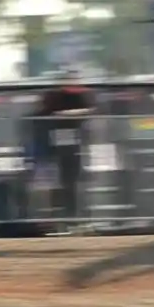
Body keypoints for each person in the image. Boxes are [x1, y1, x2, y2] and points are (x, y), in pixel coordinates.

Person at [33, 69, 95, 233]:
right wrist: (64, 115)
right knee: (59, 184)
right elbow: (47, 114)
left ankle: (76, 219)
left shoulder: (82, 95)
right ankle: (60, 220)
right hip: (52, 147)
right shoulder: (53, 96)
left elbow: (91, 109)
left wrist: (70, 114)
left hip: (75, 145)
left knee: (73, 182)